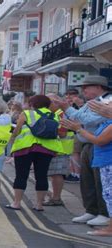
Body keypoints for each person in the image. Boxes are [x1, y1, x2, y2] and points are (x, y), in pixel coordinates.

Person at [54, 75, 111, 226]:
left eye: (87, 87)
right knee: (87, 180)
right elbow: (79, 116)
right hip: (87, 142)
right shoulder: (91, 103)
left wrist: (70, 111)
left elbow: (89, 120)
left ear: (99, 87)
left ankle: (104, 213)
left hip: (100, 144)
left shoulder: (107, 101)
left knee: (101, 181)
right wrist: (72, 112)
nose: (83, 90)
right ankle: (91, 210)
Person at [5, 95, 63, 211]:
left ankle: (16, 203)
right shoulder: (55, 116)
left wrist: (11, 138)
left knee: (21, 175)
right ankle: (39, 205)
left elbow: (17, 130)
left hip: (25, 147)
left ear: (32, 104)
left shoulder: (27, 114)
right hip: (46, 149)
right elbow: (59, 133)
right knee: (41, 176)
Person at [61, 115, 112, 236]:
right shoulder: (107, 121)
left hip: (108, 162)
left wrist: (79, 129)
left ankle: (109, 227)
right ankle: (108, 225)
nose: (104, 106)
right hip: (103, 161)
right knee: (107, 195)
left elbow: (100, 140)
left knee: (109, 195)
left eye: (108, 104)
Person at [42, 94, 73, 207]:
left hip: (61, 149)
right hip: (56, 148)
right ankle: (54, 196)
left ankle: (56, 198)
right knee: (54, 174)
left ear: (55, 102)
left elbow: (63, 133)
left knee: (57, 174)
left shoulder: (61, 114)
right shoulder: (54, 113)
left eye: (48, 103)